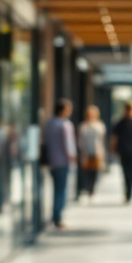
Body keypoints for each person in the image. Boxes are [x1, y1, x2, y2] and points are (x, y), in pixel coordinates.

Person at [43, 98, 76, 229]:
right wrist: (73, 158)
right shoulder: (65, 125)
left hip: (52, 161)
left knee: (56, 189)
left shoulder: (49, 124)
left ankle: (56, 214)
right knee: (61, 190)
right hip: (62, 161)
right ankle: (58, 216)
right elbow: (69, 145)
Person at [111, 102, 132, 203]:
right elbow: (114, 137)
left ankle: (130, 192)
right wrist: (112, 148)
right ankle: (127, 192)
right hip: (123, 151)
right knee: (125, 172)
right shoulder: (120, 123)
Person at [77, 105, 107, 199]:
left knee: (95, 172)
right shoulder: (83, 125)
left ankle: (92, 190)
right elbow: (80, 140)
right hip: (86, 152)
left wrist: (102, 153)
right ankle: (86, 188)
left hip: (96, 152)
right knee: (86, 172)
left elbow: (101, 139)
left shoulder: (99, 125)